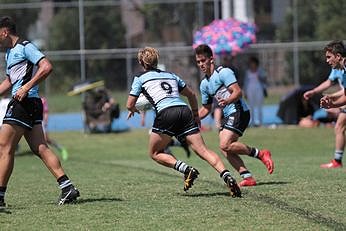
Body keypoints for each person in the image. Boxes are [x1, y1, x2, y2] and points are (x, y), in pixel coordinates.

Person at [126, 46, 241, 197]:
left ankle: (186, 169)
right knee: (203, 151)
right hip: (184, 110)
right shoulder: (171, 75)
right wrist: (195, 115)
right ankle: (227, 176)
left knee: (155, 153)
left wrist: (133, 109)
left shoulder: (140, 78)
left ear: (142, 62)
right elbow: (192, 95)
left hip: (166, 113)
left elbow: (129, 104)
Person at [0, 16, 79, 208]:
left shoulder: (26, 46)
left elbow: (46, 66)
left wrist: (26, 87)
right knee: (40, 147)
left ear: (4, 32)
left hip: (24, 102)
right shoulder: (9, 53)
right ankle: (67, 187)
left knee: (4, 147)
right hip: (30, 103)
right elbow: (10, 81)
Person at [194, 44, 274, 187]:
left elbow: (238, 92)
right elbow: (206, 109)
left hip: (239, 111)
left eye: (203, 60)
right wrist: (193, 118)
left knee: (224, 144)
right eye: (198, 62)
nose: (201, 64)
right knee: (225, 148)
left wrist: (227, 100)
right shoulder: (204, 84)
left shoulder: (224, 73)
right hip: (227, 114)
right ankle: (247, 176)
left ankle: (261, 154)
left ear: (211, 59)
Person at [317, 40, 346, 168]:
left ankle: (337, 160)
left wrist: (331, 104)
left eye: (329, 57)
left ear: (338, 56)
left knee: (339, 126)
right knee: (339, 126)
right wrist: (331, 100)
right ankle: (337, 160)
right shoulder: (344, 69)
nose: (327, 61)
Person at [41, 97, 69, 161]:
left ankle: (61, 149)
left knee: (46, 139)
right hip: (30, 121)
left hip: (40, 121)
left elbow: (46, 112)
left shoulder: (42, 100)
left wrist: (45, 121)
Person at [243, 56, 267, 127]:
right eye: (251, 63)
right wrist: (245, 92)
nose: (252, 65)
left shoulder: (260, 70)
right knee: (251, 106)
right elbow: (245, 82)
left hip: (259, 89)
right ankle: (252, 122)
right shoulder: (247, 72)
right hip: (250, 89)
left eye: (253, 63)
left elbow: (264, 79)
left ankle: (260, 122)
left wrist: (260, 77)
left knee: (259, 106)